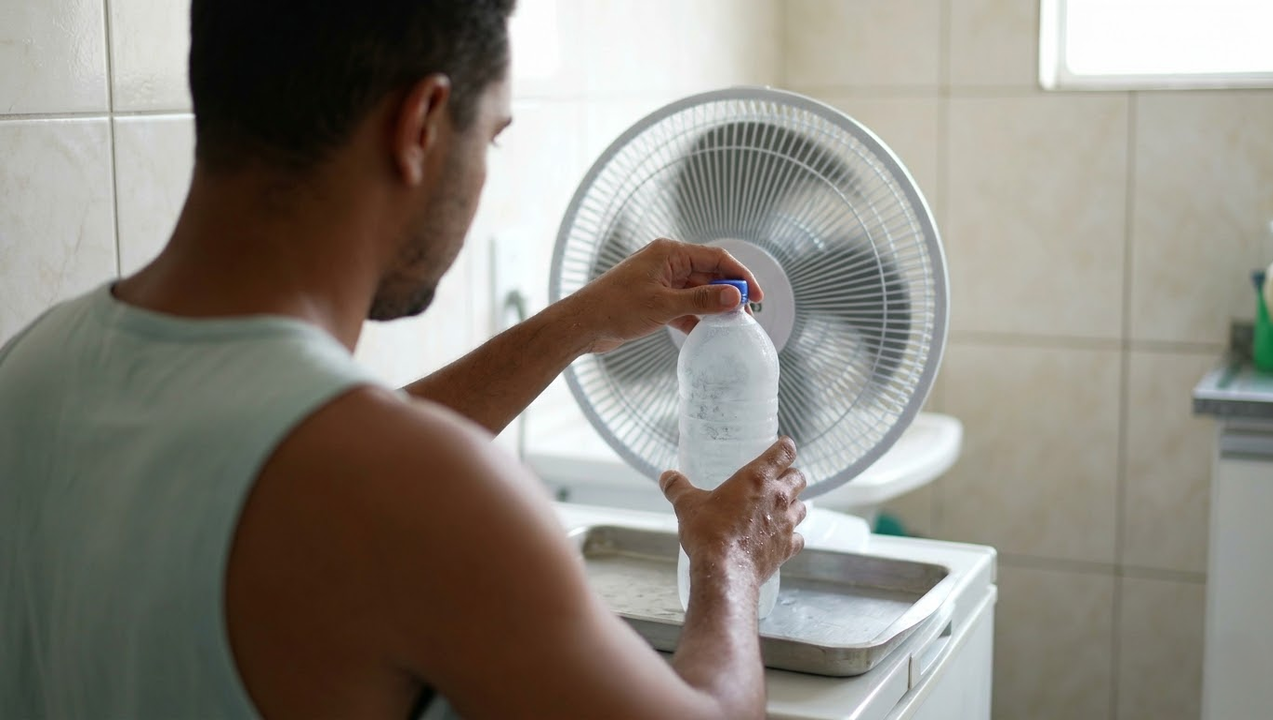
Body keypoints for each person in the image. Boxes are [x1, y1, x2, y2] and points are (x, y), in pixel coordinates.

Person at [0, 1, 807, 718]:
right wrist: (729, 560)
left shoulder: (30, 373)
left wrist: (573, 325)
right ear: (420, 122)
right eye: (490, 136)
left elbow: (284, 457)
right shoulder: (419, 493)